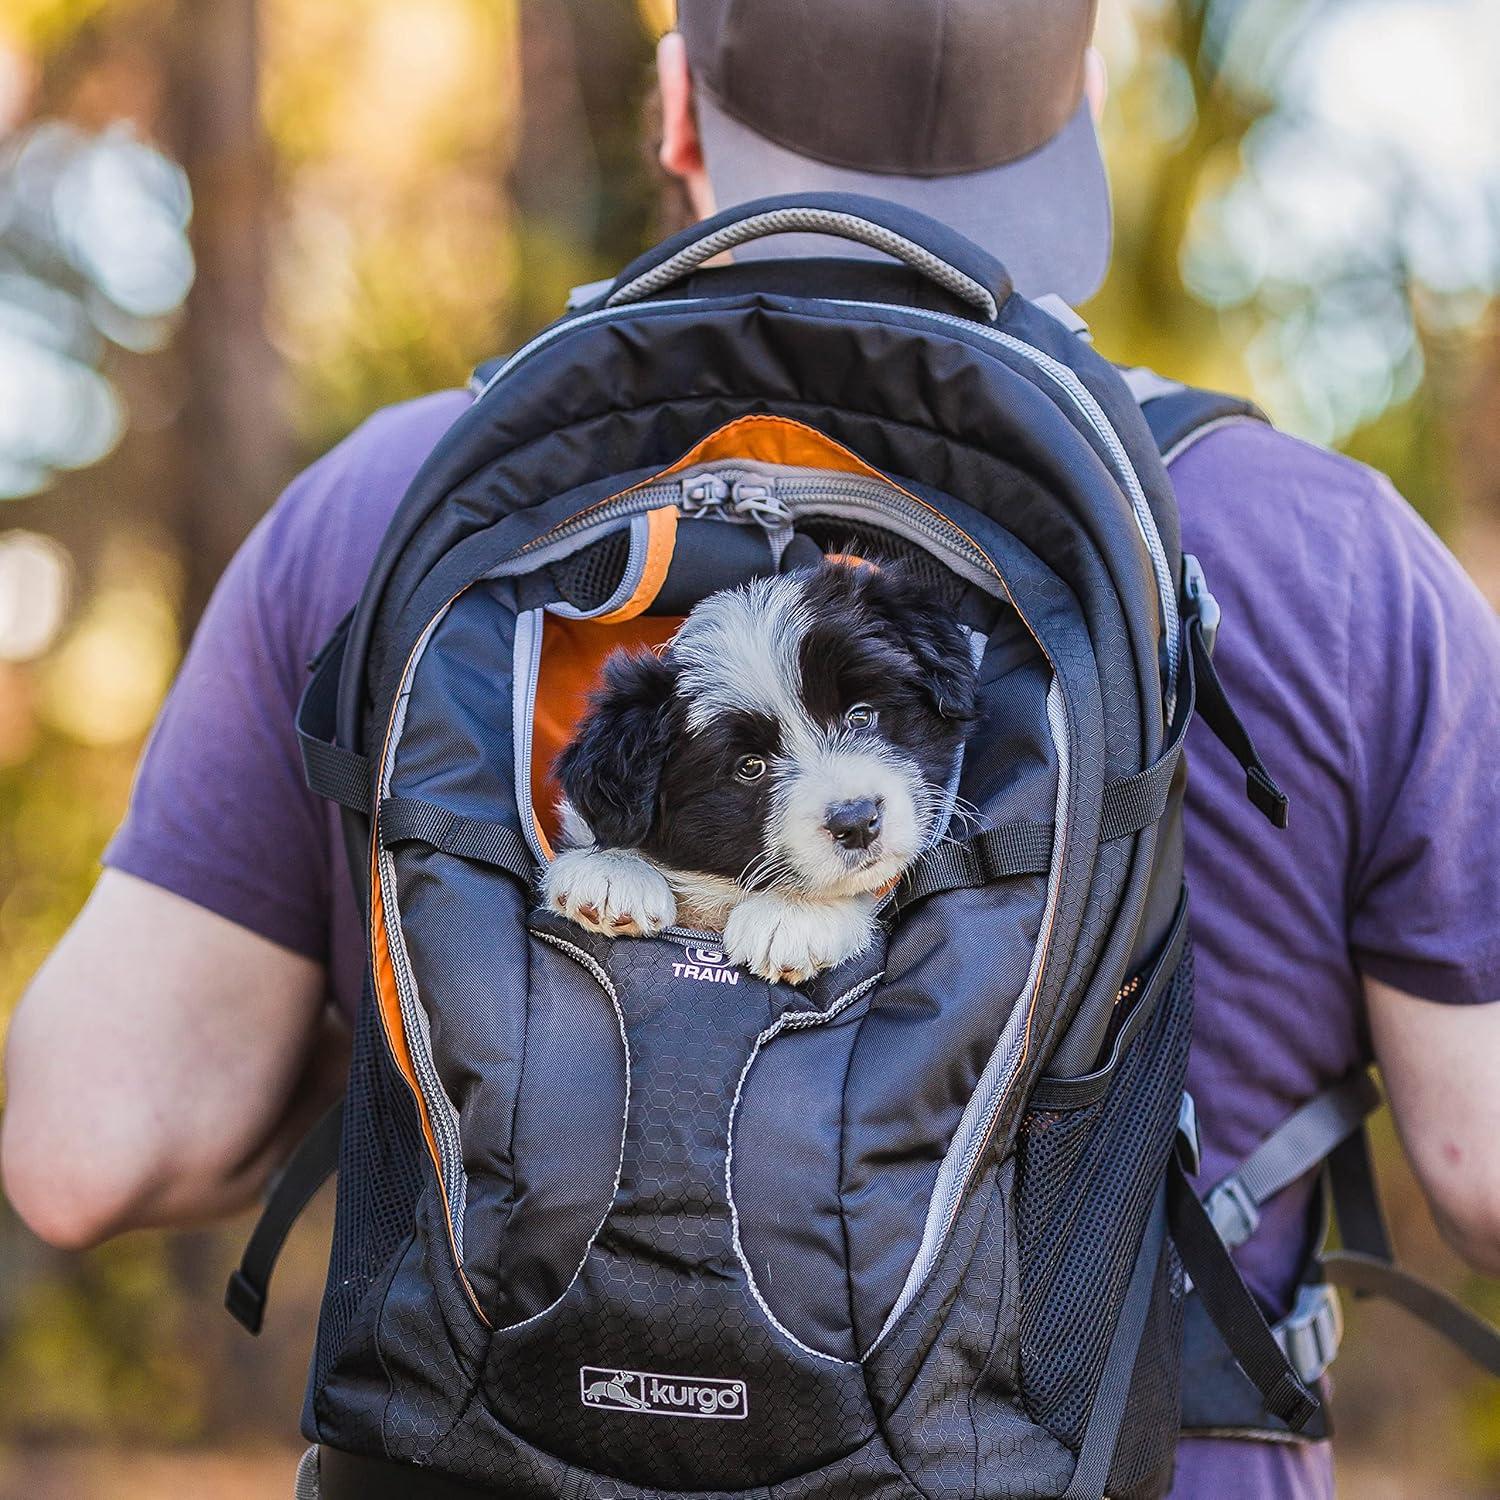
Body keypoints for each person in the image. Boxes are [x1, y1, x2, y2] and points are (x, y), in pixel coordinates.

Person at [5, 2, 1499, 1495]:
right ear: (1088, 104)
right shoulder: (1328, 555)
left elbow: (87, 1148)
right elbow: (1482, 1164)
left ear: (676, 107)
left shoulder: (389, 502)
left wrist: (444, 1016)